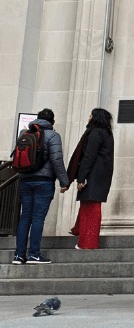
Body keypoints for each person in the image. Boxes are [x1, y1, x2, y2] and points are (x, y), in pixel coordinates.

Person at [13, 108, 70, 264]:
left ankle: (18, 255)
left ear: (37, 119)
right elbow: (56, 160)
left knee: (25, 218)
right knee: (38, 218)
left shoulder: (24, 134)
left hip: (25, 180)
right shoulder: (53, 135)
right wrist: (64, 181)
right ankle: (34, 254)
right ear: (52, 121)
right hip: (43, 182)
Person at [68, 108, 115, 250]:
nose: (89, 117)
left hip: (92, 175)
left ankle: (88, 242)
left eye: (91, 115)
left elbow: (89, 157)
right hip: (102, 174)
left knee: (91, 207)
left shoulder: (95, 133)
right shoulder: (107, 133)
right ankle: (78, 229)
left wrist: (81, 178)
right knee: (89, 205)